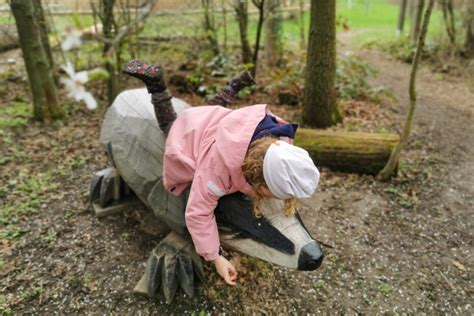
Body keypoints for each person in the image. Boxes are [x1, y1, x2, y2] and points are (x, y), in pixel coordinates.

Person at [122, 60, 320, 286]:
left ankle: (233, 87)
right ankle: (157, 87)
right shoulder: (216, 173)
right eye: (274, 193)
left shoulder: (279, 140)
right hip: (191, 129)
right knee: (170, 124)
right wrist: (215, 257)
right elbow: (198, 213)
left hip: (222, 121)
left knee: (215, 110)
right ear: (256, 181)